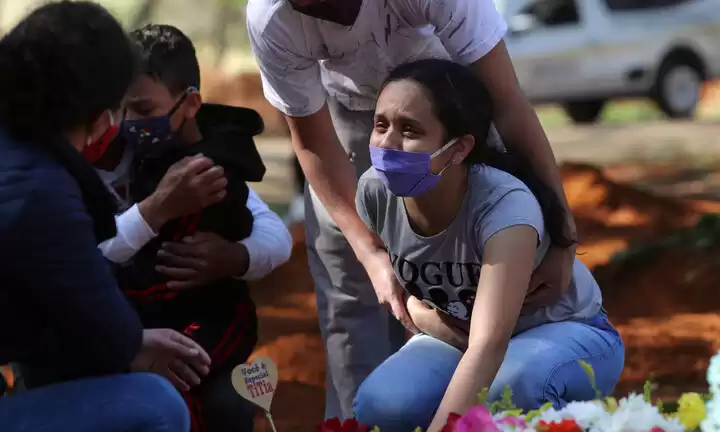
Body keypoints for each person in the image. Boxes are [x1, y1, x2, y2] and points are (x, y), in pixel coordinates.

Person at [247, 0, 579, 419]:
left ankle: (501, 392)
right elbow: (313, 141)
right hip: (350, 114)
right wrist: (370, 254)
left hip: (452, 101)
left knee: (498, 272)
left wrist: (563, 236)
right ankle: (363, 422)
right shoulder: (271, 19)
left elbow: (506, 103)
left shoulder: (497, 195)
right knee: (350, 289)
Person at [352, 59, 624, 431]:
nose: (386, 144)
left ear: (459, 148)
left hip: (561, 330)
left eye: (410, 130)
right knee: (383, 405)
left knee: (509, 387)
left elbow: (489, 343)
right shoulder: (374, 192)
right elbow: (417, 288)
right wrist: (420, 313)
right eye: (381, 125)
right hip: (463, 337)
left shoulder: (505, 208)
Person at [0, 2, 211, 431]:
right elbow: (108, 332)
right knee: (157, 404)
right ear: (101, 121)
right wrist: (134, 341)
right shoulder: (42, 190)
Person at [93, 24, 291, 432]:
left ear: (190, 103)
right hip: (124, 321)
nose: (127, 123)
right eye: (119, 108)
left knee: (185, 385)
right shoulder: (89, 156)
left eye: (142, 109)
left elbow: (275, 235)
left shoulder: (208, 171)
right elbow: (79, 259)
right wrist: (155, 211)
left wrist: (235, 257)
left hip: (207, 321)